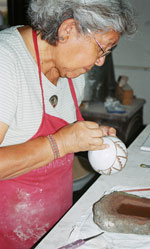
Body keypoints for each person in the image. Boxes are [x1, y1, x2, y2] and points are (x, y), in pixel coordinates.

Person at [0, 0, 136, 248]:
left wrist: (88, 139)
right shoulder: (6, 63)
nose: (101, 62)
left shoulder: (71, 74)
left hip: (55, 230)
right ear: (68, 30)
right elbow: (57, 143)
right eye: (102, 49)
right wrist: (60, 143)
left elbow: (63, 138)